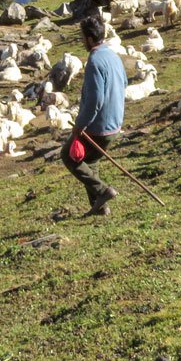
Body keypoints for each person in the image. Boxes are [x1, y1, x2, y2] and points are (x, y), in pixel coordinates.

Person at [63, 14, 127, 216]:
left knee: (68, 156)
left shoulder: (94, 61)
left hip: (99, 125)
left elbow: (94, 100)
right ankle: (100, 207)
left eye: (83, 37)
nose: (82, 41)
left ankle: (103, 191)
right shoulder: (113, 55)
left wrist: (80, 125)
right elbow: (124, 83)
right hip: (115, 122)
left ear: (90, 38)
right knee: (90, 162)